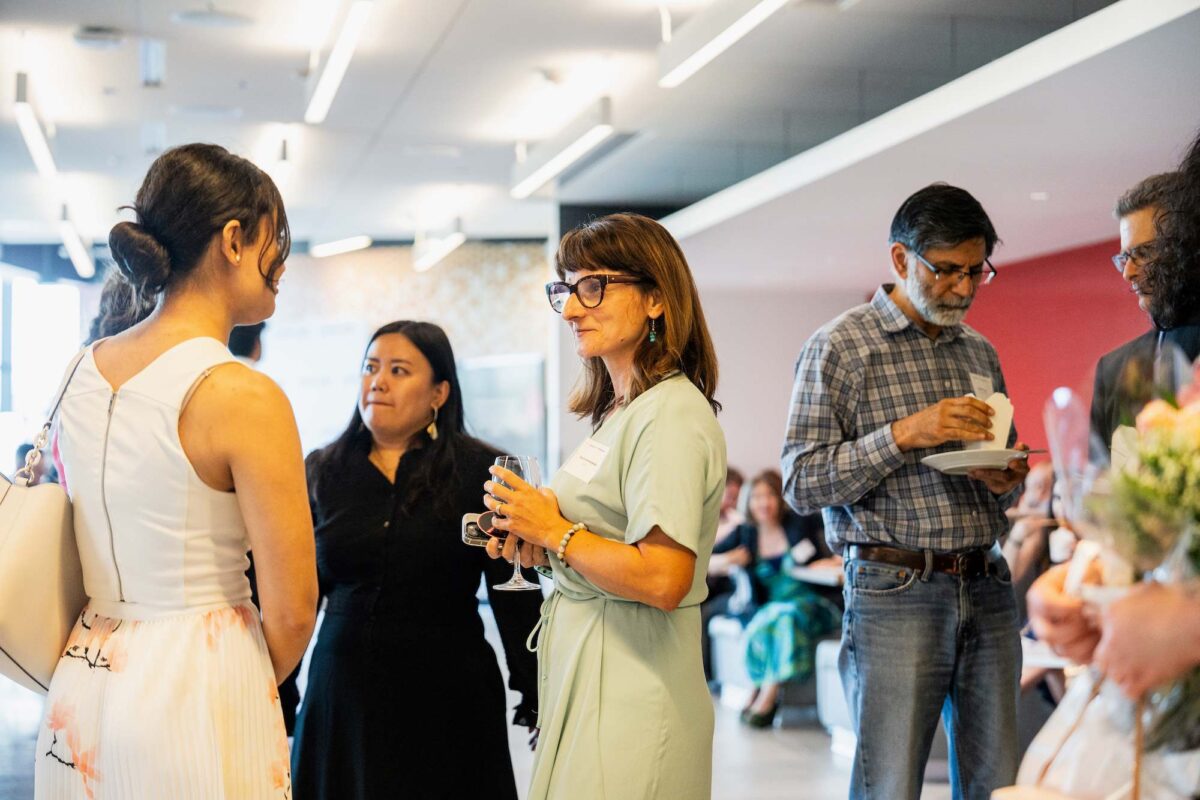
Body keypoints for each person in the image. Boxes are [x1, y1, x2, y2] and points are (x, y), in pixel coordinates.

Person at [35, 143, 318, 799]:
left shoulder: (79, 370)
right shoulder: (243, 394)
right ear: (233, 239)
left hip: (82, 675)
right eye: (275, 238)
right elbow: (295, 608)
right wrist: (235, 678)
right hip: (200, 676)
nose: (283, 261)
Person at [782, 183, 1030, 800]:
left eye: (977, 272)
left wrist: (1004, 478)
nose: (965, 289)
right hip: (894, 593)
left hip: (988, 584)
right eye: (946, 271)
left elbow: (1001, 475)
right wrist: (905, 434)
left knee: (1000, 785)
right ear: (900, 260)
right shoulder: (839, 346)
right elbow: (801, 482)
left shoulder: (980, 351)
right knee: (888, 786)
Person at [482, 213, 726, 800]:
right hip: (595, 669)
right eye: (567, 289)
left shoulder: (669, 414)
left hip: (635, 685)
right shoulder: (621, 413)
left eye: (594, 286)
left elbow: (665, 577)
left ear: (656, 300)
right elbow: (606, 547)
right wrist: (541, 547)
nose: (570, 310)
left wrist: (556, 532)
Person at [290, 320, 542, 800]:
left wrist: (536, 695)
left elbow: (515, 590)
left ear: (439, 393)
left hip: (447, 698)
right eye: (370, 367)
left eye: (399, 370)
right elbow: (298, 591)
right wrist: (279, 690)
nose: (377, 381)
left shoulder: (484, 473)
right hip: (342, 696)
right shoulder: (323, 471)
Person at [712, 469, 840, 727]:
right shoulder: (746, 533)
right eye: (757, 496)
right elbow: (703, 559)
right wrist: (729, 560)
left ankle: (768, 695)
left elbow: (840, 531)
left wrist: (830, 560)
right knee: (765, 619)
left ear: (780, 499)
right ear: (748, 501)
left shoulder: (799, 523)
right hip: (768, 609)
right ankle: (758, 687)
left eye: (769, 495)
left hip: (812, 603)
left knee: (783, 616)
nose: (764, 503)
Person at [1091, 172, 1194, 459]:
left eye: (1144, 253)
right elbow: (1094, 485)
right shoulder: (1112, 370)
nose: (1128, 272)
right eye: (1125, 257)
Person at [702, 465, 747, 683]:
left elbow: (741, 558)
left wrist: (716, 562)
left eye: (736, 497)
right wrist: (726, 559)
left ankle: (705, 677)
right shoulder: (701, 521)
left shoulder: (738, 524)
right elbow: (703, 563)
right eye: (729, 496)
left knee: (704, 612)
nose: (732, 502)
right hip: (706, 584)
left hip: (729, 589)